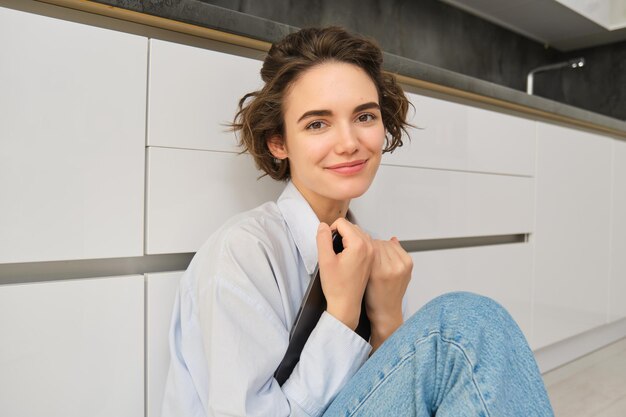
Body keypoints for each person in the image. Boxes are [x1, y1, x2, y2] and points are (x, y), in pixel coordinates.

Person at [161, 26, 554, 417]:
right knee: (462, 326)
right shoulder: (243, 254)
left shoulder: (367, 249)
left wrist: (387, 321)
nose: (349, 142)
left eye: (364, 116)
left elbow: (387, 395)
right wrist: (343, 314)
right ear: (278, 142)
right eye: (317, 123)